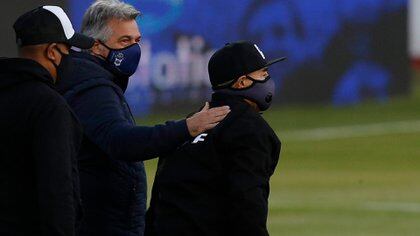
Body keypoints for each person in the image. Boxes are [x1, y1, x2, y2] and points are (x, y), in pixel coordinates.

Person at [55, 0, 230, 235]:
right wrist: (186, 128)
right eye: (124, 41)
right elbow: (121, 141)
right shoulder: (93, 88)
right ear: (96, 47)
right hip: (102, 224)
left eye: (137, 41)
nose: (134, 49)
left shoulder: (95, 79)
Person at [146, 41, 283, 236]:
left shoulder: (190, 123)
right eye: (262, 73)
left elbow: (160, 195)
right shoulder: (249, 128)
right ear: (242, 82)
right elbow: (247, 203)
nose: (268, 79)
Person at [0, 6, 94, 236]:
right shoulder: (49, 106)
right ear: (53, 51)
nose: (73, 58)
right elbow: (57, 190)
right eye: (69, 49)